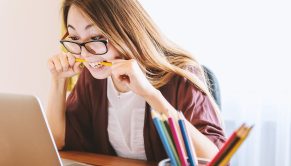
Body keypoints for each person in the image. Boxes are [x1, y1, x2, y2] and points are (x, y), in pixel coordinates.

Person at [46, 0, 226, 162]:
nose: (84, 54)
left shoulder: (181, 75)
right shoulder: (93, 78)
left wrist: (150, 94)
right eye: (75, 38)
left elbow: (214, 160)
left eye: (96, 38)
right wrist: (58, 82)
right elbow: (57, 143)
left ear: (125, 31)